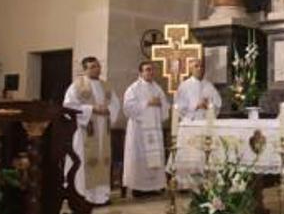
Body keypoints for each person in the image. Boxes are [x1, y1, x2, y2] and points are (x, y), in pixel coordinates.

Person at [63, 56, 119, 205]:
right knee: (85, 161)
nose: (97, 69)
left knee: (102, 161)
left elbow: (115, 104)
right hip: (85, 131)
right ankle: (84, 196)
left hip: (103, 131)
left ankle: (102, 196)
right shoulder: (77, 85)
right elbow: (68, 105)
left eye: (98, 66)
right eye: (93, 66)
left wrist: (108, 110)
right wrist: (91, 109)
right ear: (84, 69)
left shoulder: (106, 85)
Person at [122, 61, 169, 196]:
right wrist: (147, 103)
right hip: (139, 130)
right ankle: (138, 188)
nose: (150, 72)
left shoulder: (157, 88)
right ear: (141, 72)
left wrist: (161, 104)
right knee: (140, 157)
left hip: (154, 129)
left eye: (152, 70)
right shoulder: (133, 89)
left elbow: (165, 107)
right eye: (147, 70)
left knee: (154, 156)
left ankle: (155, 186)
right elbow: (128, 108)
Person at [176, 58, 222, 122]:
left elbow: (218, 104)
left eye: (202, 66)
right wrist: (196, 105)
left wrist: (208, 105)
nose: (200, 68)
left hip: (206, 122)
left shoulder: (209, 86)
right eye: (196, 66)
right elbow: (180, 107)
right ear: (191, 69)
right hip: (191, 122)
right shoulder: (184, 86)